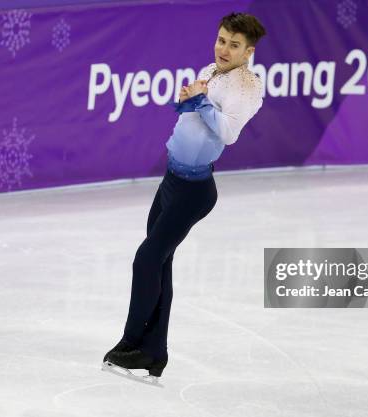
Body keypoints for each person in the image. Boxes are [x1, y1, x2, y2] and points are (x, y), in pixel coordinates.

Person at [103, 11, 266, 381]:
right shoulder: (211, 71)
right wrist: (188, 100)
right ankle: (153, 351)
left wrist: (201, 102)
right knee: (159, 264)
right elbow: (192, 118)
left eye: (234, 44)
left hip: (194, 191)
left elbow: (227, 134)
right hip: (172, 180)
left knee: (146, 260)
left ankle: (131, 342)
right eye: (222, 39)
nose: (224, 48)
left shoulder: (247, 86)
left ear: (248, 51)